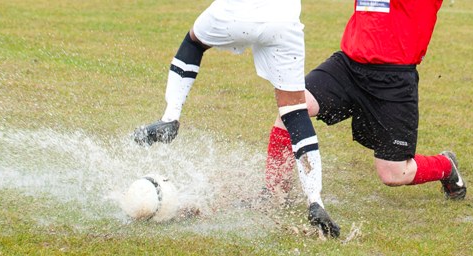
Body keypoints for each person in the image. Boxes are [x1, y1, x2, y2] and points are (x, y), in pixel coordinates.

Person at [133, 0, 340, 237]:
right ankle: (315, 200)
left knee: (194, 41)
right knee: (294, 111)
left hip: (238, 12)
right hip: (284, 19)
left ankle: (170, 117)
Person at [265, 0, 467, 224]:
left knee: (394, 173)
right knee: (292, 108)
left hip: (393, 80)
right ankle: (275, 191)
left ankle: (446, 165)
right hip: (348, 65)